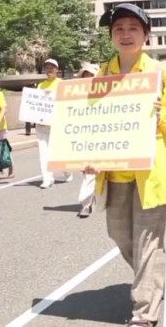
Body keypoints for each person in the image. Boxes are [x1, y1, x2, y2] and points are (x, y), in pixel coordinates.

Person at [94, 3, 166, 326]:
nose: (125, 34)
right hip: (114, 171)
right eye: (119, 28)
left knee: (148, 243)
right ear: (111, 36)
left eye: (133, 28)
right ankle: (160, 281)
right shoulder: (101, 74)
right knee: (121, 236)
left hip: (151, 174)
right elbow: (87, 121)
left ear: (146, 36)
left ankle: (144, 313)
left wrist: (162, 112)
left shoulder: (162, 73)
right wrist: (84, 155)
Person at [36, 58, 69, 189]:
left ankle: (67, 170)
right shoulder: (40, 86)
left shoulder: (62, 84)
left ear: (57, 70)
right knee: (44, 153)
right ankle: (47, 179)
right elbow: (35, 104)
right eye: (47, 67)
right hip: (42, 125)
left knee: (59, 152)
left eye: (52, 67)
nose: (49, 70)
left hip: (57, 124)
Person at [74, 62, 100, 218]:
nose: (88, 79)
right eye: (85, 76)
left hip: (102, 137)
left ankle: (89, 201)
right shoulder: (75, 97)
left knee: (98, 171)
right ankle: (87, 202)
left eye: (91, 76)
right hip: (83, 137)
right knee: (87, 171)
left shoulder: (107, 94)